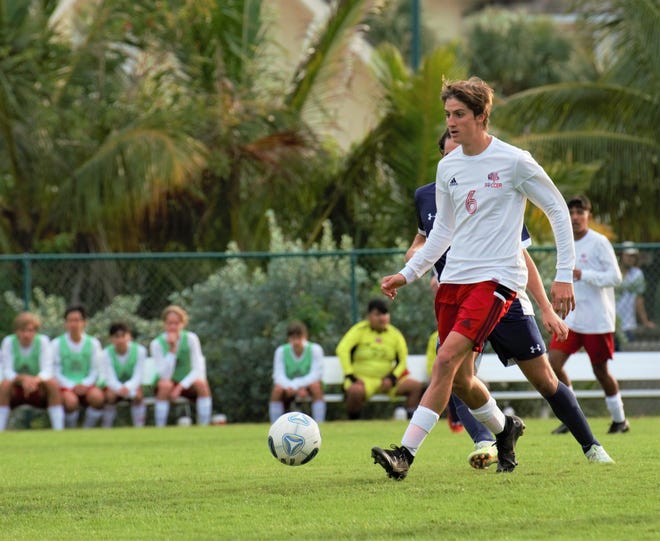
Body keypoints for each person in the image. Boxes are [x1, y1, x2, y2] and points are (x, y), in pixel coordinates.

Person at [371, 76, 578, 479]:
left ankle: (404, 456)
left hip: (497, 279)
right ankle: (506, 430)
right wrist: (407, 274)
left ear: (482, 116)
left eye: (460, 114)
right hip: (455, 282)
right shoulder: (447, 166)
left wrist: (563, 275)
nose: (451, 122)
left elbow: (556, 210)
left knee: (444, 360)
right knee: (463, 381)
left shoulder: (515, 160)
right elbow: (441, 234)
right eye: (448, 114)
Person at [409, 130, 613, 471]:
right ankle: (490, 439)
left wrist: (546, 307)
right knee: (456, 375)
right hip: (460, 299)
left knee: (545, 380)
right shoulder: (429, 195)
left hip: (504, 297)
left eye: (461, 148)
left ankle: (591, 446)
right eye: (449, 153)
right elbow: (424, 238)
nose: (457, 156)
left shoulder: (497, 182)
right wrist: (416, 262)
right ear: (441, 158)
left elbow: (522, 254)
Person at [549, 195, 629, 434]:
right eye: (571, 212)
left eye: (579, 212)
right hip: (571, 319)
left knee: (600, 371)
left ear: (588, 216)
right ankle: (572, 416)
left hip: (596, 320)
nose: (574, 217)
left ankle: (620, 420)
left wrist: (584, 274)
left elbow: (616, 277)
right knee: (552, 364)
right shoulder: (565, 243)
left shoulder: (599, 242)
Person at [336, 299, 424, 420]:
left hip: (386, 380)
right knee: (354, 391)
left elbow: (402, 361)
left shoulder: (395, 334)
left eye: (385, 314)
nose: (382, 318)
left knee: (416, 387)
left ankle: (412, 422)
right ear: (369, 316)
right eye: (378, 314)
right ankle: (353, 423)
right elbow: (342, 350)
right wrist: (350, 375)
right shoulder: (359, 330)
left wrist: (392, 378)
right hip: (363, 380)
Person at [0, 312, 65, 430]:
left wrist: (34, 381)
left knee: (52, 384)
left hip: (38, 388)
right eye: (22, 330)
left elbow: (47, 370)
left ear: (35, 331)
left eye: (30, 330)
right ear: (16, 331)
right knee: (4, 385)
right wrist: (23, 379)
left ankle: (58, 430)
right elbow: (7, 371)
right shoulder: (8, 342)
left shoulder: (43, 341)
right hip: (16, 389)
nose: (26, 334)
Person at [149, 305, 212, 426]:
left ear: (183, 324)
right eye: (169, 323)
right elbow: (164, 374)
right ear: (164, 324)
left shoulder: (191, 339)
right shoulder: (156, 344)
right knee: (165, 385)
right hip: (168, 383)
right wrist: (172, 350)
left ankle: (204, 425)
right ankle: (159, 427)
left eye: (176, 323)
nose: (173, 327)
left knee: (202, 384)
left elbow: (197, 368)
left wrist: (180, 387)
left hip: (186, 383)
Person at [52, 305, 105, 428]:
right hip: (65, 386)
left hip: (87, 385)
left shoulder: (93, 343)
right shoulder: (56, 344)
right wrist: (71, 386)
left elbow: (96, 369)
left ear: (84, 322)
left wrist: (85, 384)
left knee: (98, 398)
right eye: (71, 320)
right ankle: (71, 430)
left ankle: (87, 429)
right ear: (66, 323)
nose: (74, 324)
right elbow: (55, 370)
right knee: (71, 402)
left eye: (77, 320)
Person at [269, 320, 326, 423]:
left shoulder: (315, 349)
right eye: (292, 338)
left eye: (299, 337)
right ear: (288, 338)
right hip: (288, 387)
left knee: (316, 387)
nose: (296, 342)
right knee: (277, 390)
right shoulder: (281, 351)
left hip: (308, 387)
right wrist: (293, 387)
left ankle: (319, 423)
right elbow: (278, 375)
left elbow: (316, 374)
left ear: (305, 336)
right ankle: (275, 425)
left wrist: (298, 386)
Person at [99, 322, 147, 428]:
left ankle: (139, 427)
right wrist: (120, 388)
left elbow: (138, 375)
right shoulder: (105, 354)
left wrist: (128, 387)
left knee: (138, 396)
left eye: (123, 336)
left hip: (131, 386)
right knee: (110, 396)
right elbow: (109, 377)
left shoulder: (140, 351)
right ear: (111, 339)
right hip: (114, 387)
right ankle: (106, 427)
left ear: (129, 336)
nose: (120, 340)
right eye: (116, 337)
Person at [616, 241, 655, 343]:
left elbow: (639, 300)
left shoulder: (637, 274)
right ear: (621, 255)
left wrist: (645, 321)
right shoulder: (612, 273)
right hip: (609, 322)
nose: (630, 258)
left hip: (628, 324)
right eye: (628, 255)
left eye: (633, 256)